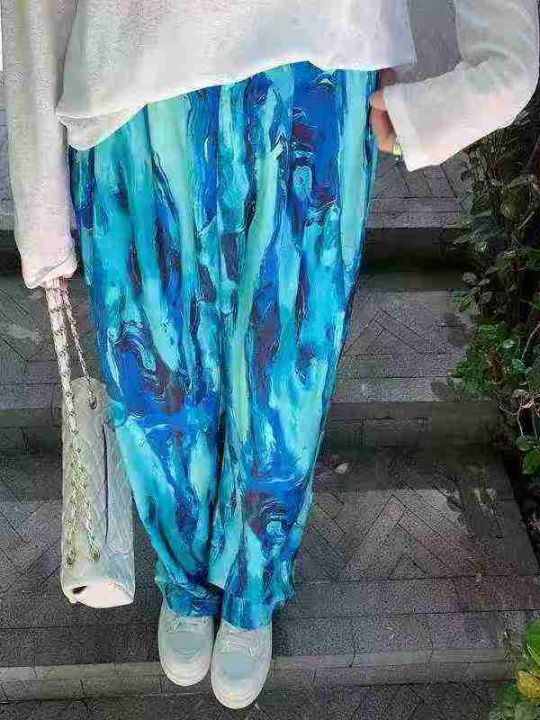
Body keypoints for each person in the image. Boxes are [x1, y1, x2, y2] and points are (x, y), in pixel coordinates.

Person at [1, 0, 538, 709]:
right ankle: (186, 578)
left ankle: (253, 587)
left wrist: (497, 76)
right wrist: (40, 205)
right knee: (154, 391)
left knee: (285, 388)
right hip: (129, 89)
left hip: (312, 69)